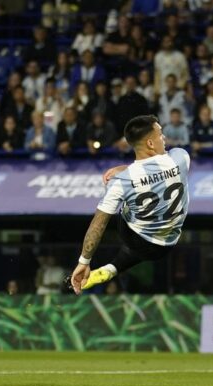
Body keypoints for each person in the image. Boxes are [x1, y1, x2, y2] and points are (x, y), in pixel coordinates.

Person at [68, 115, 191, 294]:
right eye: (160, 134)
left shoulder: (121, 181)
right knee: (144, 247)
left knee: (122, 208)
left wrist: (84, 261)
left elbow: (98, 224)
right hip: (166, 244)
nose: (163, 138)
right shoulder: (180, 158)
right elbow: (157, 167)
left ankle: (111, 268)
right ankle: (113, 268)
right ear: (150, 143)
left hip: (133, 238)